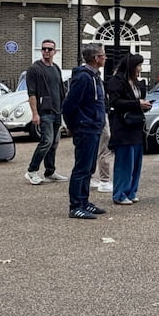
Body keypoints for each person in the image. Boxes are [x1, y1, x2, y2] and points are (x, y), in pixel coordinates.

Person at [62, 43, 108, 220]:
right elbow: (69, 105)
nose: (105, 58)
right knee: (81, 168)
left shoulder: (95, 76)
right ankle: (76, 206)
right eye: (103, 55)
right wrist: (75, 126)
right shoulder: (83, 78)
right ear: (96, 58)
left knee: (89, 167)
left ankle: (84, 201)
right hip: (85, 128)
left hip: (94, 127)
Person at [106, 53, 152, 205]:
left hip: (136, 125)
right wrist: (137, 104)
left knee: (136, 162)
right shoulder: (116, 81)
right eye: (138, 66)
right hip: (123, 126)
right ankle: (119, 194)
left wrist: (144, 104)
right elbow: (115, 101)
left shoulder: (137, 82)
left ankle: (131, 191)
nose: (140, 68)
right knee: (124, 162)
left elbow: (138, 99)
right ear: (131, 67)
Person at [24, 39, 68, 185]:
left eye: (50, 49)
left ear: (55, 51)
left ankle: (50, 171)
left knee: (54, 143)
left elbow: (61, 90)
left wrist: (64, 111)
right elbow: (31, 93)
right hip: (45, 112)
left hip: (57, 111)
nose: (46, 51)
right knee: (46, 141)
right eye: (44, 49)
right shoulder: (34, 69)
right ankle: (31, 171)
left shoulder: (56, 68)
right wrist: (35, 113)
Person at [90, 118, 114, 193]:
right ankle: (104, 181)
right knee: (104, 148)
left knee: (93, 148)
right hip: (100, 113)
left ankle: (89, 177)